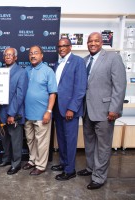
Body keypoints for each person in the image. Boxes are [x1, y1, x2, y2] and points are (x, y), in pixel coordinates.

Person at [77, 32, 126, 190]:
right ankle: (91, 168)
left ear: (102, 42)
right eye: (90, 41)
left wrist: (114, 109)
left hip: (105, 111)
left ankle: (99, 177)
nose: (92, 43)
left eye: (96, 41)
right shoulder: (84, 61)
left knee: (103, 146)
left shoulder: (113, 58)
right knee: (90, 143)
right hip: (87, 111)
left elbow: (119, 85)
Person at [51, 38, 87, 181]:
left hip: (69, 110)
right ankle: (64, 163)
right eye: (59, 46)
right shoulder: (57, 64)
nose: (61, 48)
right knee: (61, 139)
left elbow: (80, 88)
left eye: (64, 46)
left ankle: (70, 170)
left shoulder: (78, 62)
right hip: (58, 108)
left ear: (70, 47)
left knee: (70, 140)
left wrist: (72, 108)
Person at [23, 45, 57, 176]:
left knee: (41, 142)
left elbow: (53, 93)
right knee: (30, 139)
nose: (33, 55)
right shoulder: (26, 70)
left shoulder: (48, 71)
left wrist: (48, 111)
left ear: (41, 55)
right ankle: (32, 160)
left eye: (36, 53)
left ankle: (41, 165)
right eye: (31, 53)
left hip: (42, 114)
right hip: (27, 113)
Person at [0, 47, 28, 175]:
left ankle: (16, 164)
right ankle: (6, 159)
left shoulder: (21, 72)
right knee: (5, 139)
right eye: (6, 55)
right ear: (4, 57)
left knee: (15, 141)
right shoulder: (1, 72)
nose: (8, 57)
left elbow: (19, 95)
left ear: (15, 57)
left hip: (14, 113)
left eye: (11, 55)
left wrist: (11, 113)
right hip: (1, 112)